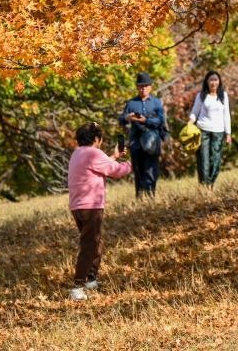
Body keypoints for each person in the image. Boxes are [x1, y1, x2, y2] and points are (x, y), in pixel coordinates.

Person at [67, 122, 132, 301]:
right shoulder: (93, 153)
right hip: (91, 205)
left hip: (77, 206)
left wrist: (113, 155)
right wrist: (131, 164)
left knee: (94, 242)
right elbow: (116, 171)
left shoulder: (77, 153)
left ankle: (91, 279)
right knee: (89, 245)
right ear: (96, 139)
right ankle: (77, 286)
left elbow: (100, 166)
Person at [119, 72, 168, 199]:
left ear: (150, 87)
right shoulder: (131, 103)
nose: (143, 88)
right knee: (138, 170)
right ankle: (139, 196)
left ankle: (151, 195)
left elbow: (160, 121)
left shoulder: (156, 103)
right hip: (136, 141)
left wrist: (145, 120)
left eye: (146, 86)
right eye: (141, 86)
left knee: (152, 169)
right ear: (137, 87)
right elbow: (121, 120)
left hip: (153, 140)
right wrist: (127, 117)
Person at [187, 70, 232, 189]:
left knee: (215, 160)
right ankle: (203, 186)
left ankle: (211, 184)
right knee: (203, 161)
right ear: (207, 82)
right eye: (211, 80)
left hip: (218, 132)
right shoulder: (201, 96)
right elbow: (195, 112)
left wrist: (228, 133)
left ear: (219, 82)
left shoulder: (224, 96)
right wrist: (190, 122)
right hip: (203, 130)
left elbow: (226, 114)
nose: (213, 82)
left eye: (215, 80)